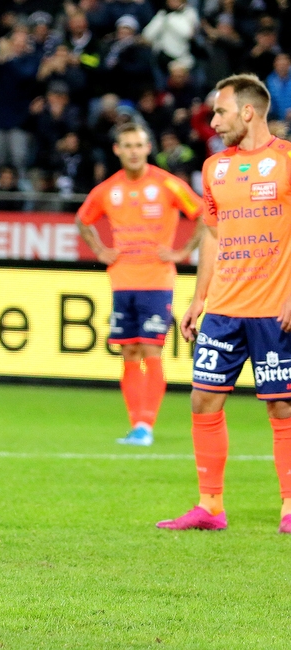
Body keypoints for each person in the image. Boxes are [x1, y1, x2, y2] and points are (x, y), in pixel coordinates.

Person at [160, 74, 291, 533]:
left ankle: (290, 507)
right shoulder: (215, 168)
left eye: (220, 111)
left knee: (282, 406)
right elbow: (212, 235)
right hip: (224, 308)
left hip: (275, 307)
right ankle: (210, 506)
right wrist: (199, 298)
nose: (213, 121)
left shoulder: (288, 160)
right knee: (202, 400)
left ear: (249, 111)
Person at [75, 122, 204, 446]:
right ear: (117, 150)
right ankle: (137, 426)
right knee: (129, 351)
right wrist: (100, 251)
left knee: (151, 349)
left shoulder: (167, 184)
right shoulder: (109, 188)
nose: (133, 151)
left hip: (157, 279)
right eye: (127, 145)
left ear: (148, 149)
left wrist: (182, 251)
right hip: (122, 280)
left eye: (139, 145)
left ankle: (146, 425)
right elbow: (82, 219)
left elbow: (202, 213)